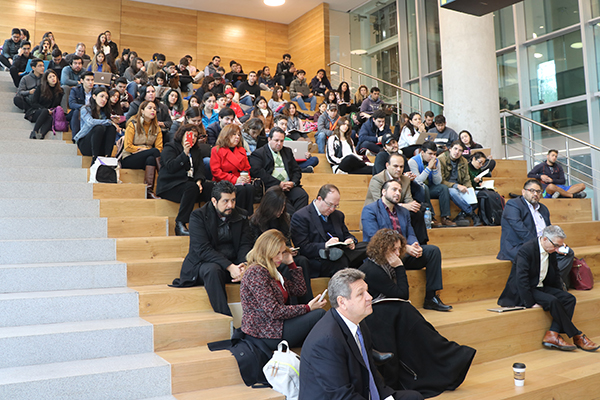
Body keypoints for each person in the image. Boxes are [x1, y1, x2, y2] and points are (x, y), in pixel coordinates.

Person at [359, 229, 475, 396]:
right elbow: (402, 294)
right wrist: (400, 267)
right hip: (377, 315)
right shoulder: (372, 269)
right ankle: (450, 358)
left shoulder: (384, 264)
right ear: (382, 249)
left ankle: (451, 357)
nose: (398, 253)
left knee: (419, 327)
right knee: (413, 321)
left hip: (391, 310)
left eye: (399, 249)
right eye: (394, 250)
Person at [299, 268, 424, 400]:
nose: (369, 297)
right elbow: (342, 396)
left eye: (367, 291)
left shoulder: (358, 322)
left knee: (414, 397)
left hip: (359, 392)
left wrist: (387, 397)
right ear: (342, 302)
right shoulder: (327, 341)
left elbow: (370, 371)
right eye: (360, 294)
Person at [498, 225, 599, 352]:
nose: (557, 249)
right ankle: (576, 335)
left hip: (541, 286)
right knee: (553, 301)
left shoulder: (550, 250)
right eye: (556, 245)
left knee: (569, 299)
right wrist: (529, 303)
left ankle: (553, 333)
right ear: (545, 239)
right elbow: (521, 280)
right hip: (524, 290)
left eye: (559, 246)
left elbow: (556, 275)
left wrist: (559, 293)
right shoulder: (526, 250)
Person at [361, 180, 451, 311]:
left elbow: (410, 232)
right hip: (382, 257)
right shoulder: (370, 210)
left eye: (399, 191)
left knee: (433, 251)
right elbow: (373, 237)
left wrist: (415, 246)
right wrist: (404, 248)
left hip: (402, 253)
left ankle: (431, 298)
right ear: (384, 191)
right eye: (394, 190)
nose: (397, 193)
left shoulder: (403, 211)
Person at [171, 181, 254, 316]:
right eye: (225, 201)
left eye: (233, 200)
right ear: (214, 201)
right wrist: (230, 267)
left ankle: (258, 321)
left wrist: (243, 265)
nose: (230, 205)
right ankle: (225, 318)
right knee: (213, 270)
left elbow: (245, 244)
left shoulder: (241, 215)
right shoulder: (198, 216)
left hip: (233, 264)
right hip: (203, 264)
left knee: (257, 268)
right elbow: (203, 250)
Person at [241, 229, 327, 350]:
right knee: (319, 315)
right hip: (264, 332)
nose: (280, 257)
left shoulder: (271, 270)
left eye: (282, 253)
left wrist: (291, 264)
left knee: (320, 319)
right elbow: (274, 311)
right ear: (267, 252)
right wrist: (307, 308)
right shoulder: (256, 272)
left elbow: (300, 290)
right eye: (277, 253)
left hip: (275, 326)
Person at [497, 179, 575, 286]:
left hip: (544, 245)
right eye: (532, 190)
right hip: (520, 246)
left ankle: (549, 283)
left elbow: (549, 230)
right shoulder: (513, 205)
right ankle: (546, 285)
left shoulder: (543, 209)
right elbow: (520, 229)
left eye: (538, 192)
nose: (535, 194)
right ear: (524, 192)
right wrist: (540, 245)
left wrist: (556, 244)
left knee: (567, 253)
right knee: (540, 255)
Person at [249, 187, 315, 303]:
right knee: (283, 266)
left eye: (283, 206)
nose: (281, 210)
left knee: (302, 260)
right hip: (267, 259)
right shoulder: (255, 222)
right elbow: (256, 248)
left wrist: (289, 250)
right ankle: (292, 304)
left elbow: (287, 241)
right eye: (278, 207)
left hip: (282, 254)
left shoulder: (285, 218)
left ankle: (307, 300)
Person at [291, 184, 368, 278]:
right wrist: (325, 245)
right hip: (319, 258)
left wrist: (350, 240)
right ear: (319, 199)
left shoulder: (338, 215)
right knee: (340, 260)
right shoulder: (301, 216)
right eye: (330, 205)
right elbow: (303, 247)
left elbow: (347, 235)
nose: (332, 209)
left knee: (368, 246)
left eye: (336, 206)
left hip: (340, 251)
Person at [156, 123, 214, 236]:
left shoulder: (196, 151)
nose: (193, 137)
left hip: (190, 186)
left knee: (212, 188)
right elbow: (171, 167)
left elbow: (200, 169)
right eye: (190, 134)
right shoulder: (170, 147)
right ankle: (180, 223)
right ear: (182, 134)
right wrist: (184, 153)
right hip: (171, 185)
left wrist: (199, 181)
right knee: (191, 187)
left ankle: (211, 222)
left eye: (196, 136)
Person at [365, 153, 433, 238]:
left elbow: (409, 200)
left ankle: (420, 245)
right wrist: (404, 206)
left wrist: (413, 205)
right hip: (378, 213)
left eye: (401, 167)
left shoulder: (405, 180)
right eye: (395, 166)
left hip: (396, 211)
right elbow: (380, 204)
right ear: (387, 165)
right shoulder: (377, 179)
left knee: (417, 213)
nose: (399, 169)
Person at [249, 128, 309, 215]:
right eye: (276, 140)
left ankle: (299, 220)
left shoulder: (287, 151)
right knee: (286, 206)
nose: (279, 144)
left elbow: (297, 170)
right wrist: (279, 184)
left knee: (302, 195)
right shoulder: (259, 153)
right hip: (272, 187)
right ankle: (294, 222)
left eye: (281, 141)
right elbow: (258, 173)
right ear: (269, 139)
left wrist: (293, 183)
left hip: (289, 186)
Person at [121, 100, 164, 199]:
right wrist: (144, 149)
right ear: (142, 110)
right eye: (149, 108)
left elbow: (159, 148)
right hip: (129, 158)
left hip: (146, 158)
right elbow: (127, 146)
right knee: (153, 152)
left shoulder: (157, 128)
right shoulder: (133, 124)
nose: (153, 110)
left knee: (151, 158)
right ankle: (164, 178)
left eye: (154, 109)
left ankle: (149, 191)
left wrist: (145, 150)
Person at [210, 124, 255, 216]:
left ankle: (249, 217)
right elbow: (216, 171)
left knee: (250, 188)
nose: (237, 137)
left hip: (240, 181)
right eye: (234, 134)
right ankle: (238, 216)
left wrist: (247, 178)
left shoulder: (242, 150)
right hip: (224, 182)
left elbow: (246, 169)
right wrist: (235, 179)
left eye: (238, 135)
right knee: (240, 189)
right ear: (226, 135)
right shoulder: (217, 150)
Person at [408, 141, 456, 227]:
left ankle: (445, 217)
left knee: (443, 188)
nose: (433, 157)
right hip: (418, 190)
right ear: (422, 153)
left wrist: (434, 170)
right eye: (430, 154)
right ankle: (432, 216)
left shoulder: (436, 161)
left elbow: (437, 182)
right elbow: (418, 181)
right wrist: (429, 168)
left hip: (430, 187)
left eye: (434, 154)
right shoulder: (413, 161)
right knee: (424, 187)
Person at [438, 141, 481, 226]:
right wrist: (456, 186)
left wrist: (469, 188)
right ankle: (472, 214)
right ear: (450, 149)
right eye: (455, 149)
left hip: (461, 186)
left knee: (479, 194)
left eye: (460, 150)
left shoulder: (463, 161)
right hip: (447, 186)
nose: (457, 152)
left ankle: (461, 216)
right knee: (453, 192)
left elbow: (466, 178)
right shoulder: (441, 159)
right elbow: (441, 181)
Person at [74, 86, 121, 164]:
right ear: (94, 96)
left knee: (111, 128)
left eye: (106, 98)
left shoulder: (105, 112)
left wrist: (112, 121)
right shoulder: (85, 109)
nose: (104, 100)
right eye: (101, 96)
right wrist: (109, 121)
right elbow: (90, 122)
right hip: (86, 143)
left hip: (100, 144)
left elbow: (108, 126)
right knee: (99, 128)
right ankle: (94, 159)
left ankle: (107, 157)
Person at [25, 69, 63, 140]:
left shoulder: (60, 91)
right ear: (46, 80)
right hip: (36, 111)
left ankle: (41, 135)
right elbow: (34, 103)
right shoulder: (40, 88)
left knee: (50, 118)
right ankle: (34, 131)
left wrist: (52, 110)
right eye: (50, 77)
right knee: (45, 111)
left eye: (54, 76)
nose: (53, 78)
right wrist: (45, 109)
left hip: (49, 113)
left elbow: (58, 105)